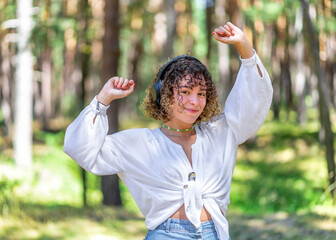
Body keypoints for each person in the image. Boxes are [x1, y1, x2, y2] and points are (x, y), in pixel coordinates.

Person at [63, 22, 273, 240]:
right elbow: (80, 149)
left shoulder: (221, 132)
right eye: (185, 91)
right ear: (163, 94)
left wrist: (244, 47)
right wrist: (103, 100)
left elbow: (254, 100)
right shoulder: (140, 144)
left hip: (215, 233)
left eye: (202, 93)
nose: (195, 101)